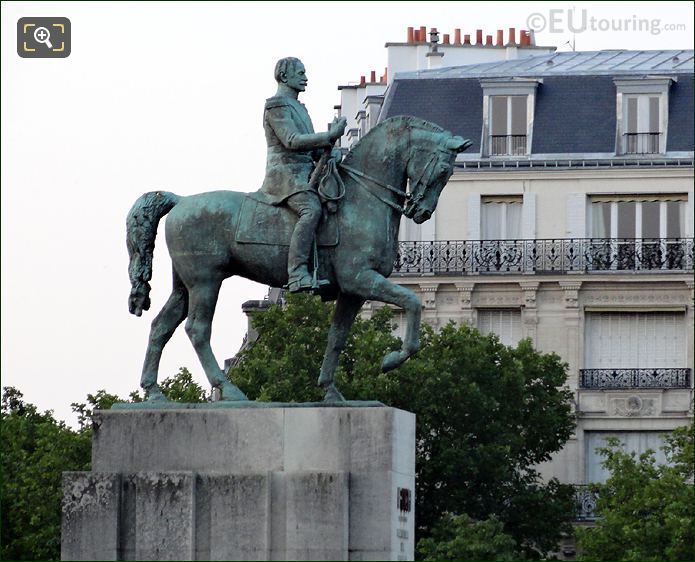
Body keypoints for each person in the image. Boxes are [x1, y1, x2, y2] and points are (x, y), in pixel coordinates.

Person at [259, 57, 347, 292]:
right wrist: (328, 136)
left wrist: (330, 151)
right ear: (284, 77)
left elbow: (310, 147)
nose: (305, 78)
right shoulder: (276, 105)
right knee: (311, 210)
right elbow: (291, 140)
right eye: (300, 73)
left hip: (306, 174)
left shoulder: (299, 108)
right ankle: (297, 273)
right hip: (285, 177)